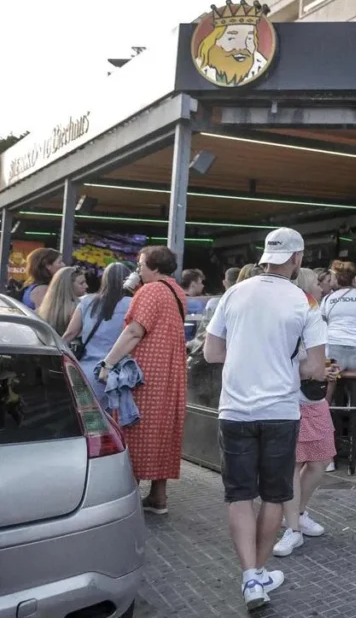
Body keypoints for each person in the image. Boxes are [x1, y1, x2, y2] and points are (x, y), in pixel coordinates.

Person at [204, 228, 331, 611]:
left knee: (239, 495)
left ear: (265, 256)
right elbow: (315, 367)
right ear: (297, 258)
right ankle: (259, 573)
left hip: (235, 409)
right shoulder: (304, 301)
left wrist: (248, 356)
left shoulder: (234, 292)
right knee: (274, 495)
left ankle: (249, 577)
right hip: (280, 410)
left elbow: (211, 352)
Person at [98, 246, 188, 516]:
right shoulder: (177, 291)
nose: (138, 269)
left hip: (146, 374)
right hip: (170, 374)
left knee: (133, 427)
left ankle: (125, 499)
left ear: (154, 266)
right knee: (162, 431)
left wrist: (108, 362)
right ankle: (158, 498)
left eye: (141, 263)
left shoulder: (151, 290)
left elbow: (135, 331)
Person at [273, 268, 337, 558]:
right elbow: (287, 358)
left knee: (320, 459)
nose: (324, 287)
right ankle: (292, 527)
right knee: (293, 464)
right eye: (317, 283)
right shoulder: (296, 312)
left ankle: (296, 515)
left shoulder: (313, 312)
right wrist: (318, 369)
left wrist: (323, 369)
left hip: (312, 397)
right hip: (290, 399)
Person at [62, 262, 133, 396]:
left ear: (104, 279)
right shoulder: (132, 303)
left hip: (87, 373)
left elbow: (70, 333)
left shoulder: (87, 301)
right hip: (119, 374)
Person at [38, 266, 88, 336]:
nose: (86, 286)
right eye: (81, 283)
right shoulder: (79, 308)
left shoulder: (45, 309)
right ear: (68, 286)